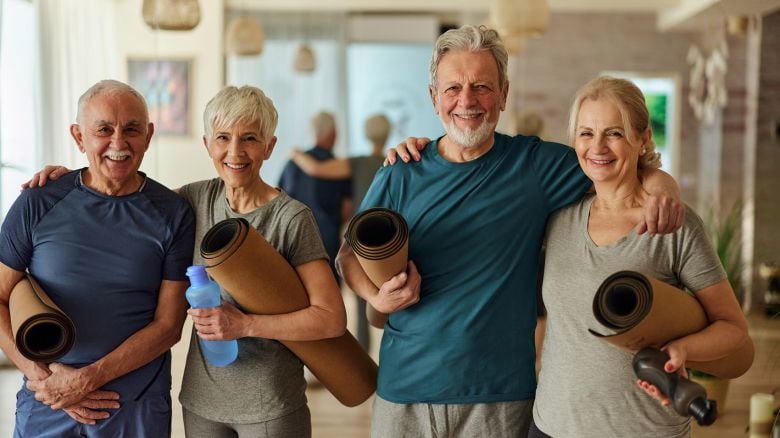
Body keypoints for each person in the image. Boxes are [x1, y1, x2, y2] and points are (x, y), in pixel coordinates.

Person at [336, 25, 684, 437]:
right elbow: (347, 256)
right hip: (404, 390)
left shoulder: (536, 167)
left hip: (499, 396)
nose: (466, 101)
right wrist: (374, 295)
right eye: (452, 89)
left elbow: (616, 163)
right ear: (434, 98)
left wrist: (664, 185)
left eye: (481, 86)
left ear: (503, 93)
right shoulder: (401, 171)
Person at [23, 86, 349, 437]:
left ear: (269, 146)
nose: (235, 151)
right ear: (208, 145)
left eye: (250, 138)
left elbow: (330, 319)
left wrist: (245, 325)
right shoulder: (192, 201)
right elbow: (126, 199)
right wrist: (69, 182)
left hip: (269, 403)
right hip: (201, 404)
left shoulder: (292, 218)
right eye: (223, 137)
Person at [528, 76, 750, 438]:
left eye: (614, 133)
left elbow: (733, 329)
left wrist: (681, 349)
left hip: (644, 430)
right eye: (586, 133)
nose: (597, 146)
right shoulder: (557, 215)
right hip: (552, 426)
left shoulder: (673, 223)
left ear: (643, 138)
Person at [0, 80, 195, 437]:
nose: (118, 143)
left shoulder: (174, 213)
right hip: (48, 402)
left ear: (148, 135)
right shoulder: (37, 202)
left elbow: (169, 325)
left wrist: (87, 380)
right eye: (103, 129)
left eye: (131, 129)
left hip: (135, 406)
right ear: (79, 136)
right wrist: (45, 379)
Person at [289, 113, 392, 351]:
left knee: (360, 296)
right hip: (391, 238)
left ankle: (364, 354)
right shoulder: (395, 160)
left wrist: (294, 153)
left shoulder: (356, 163)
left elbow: (315, 168)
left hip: (360, 239)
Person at [278, 111, 352, 280]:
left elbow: (278, 198)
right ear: (334, 133)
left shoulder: (293, 163)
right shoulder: (338, 167)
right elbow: (347, 209)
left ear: (313, 133)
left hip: (293, 239)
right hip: (328, 241)